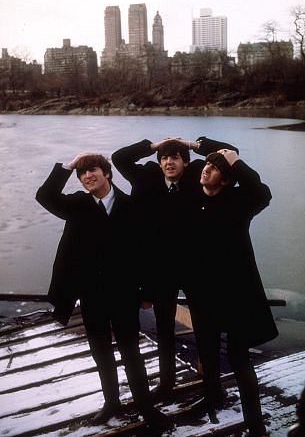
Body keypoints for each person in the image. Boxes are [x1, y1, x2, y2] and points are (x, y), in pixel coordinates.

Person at [35, 152, 173, 434]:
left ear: (107, 173)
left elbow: (147, 253)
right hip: (91, 293)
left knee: (131, 352)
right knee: (101, 352)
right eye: (82, 173)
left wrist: (148, 292)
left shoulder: (131, 206)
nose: (87, 176)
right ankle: (112, 403)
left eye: (92, 170)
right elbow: (45, 196)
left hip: (124, 293)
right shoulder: (76, 205)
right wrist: (69, 165)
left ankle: (145, 406)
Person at [112, 136, 238, 400]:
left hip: (197, 267)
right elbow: (119, 158)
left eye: (176, 157)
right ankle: (166, 383)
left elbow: (231, 154)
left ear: (186, 162)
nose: (169, 162)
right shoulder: (146, 177)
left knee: (206, 327)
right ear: (159, 163)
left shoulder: (197, 176)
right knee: (164, 328)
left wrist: (193, 144)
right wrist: (153, 146)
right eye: (165, 158)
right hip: (160, 269)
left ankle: (213, 387)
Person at [184, 149, 279, 437]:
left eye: (214, 168)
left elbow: (262, 192)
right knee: (208, 352)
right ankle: (214, 396)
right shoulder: (194, 199)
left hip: (237, 295)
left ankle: (256, 424)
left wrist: (236, 162)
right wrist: (193, 145)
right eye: (206, 165)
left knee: (239, 360)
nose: (205, 169)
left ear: (225, 179)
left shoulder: (239, 202)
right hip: (202, 294)